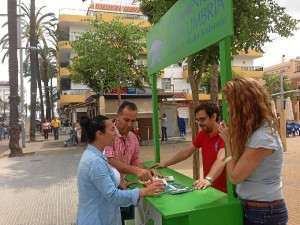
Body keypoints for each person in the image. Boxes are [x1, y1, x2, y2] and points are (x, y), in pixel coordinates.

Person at [219, 77, 288, 225]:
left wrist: (229, 143)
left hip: (263, 212)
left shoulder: (262, 138)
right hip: (257, 209)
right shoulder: (257, 132)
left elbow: (235, 177)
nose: (229, 110)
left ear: (243, 106)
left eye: (231, 105)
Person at [77, 115, 165, 225]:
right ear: (100, 134)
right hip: (98, 219)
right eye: (112, 129)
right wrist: (143, 192)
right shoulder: (95, 162)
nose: (115, 133)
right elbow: (113, 196)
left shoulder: (96, 156)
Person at [104, 101, 161, 225]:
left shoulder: (133, 138)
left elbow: (136, 160)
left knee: (126, 218)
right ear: (117, 116)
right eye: (126, 120)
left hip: (124, 188)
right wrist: (136, 171)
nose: (129, 124)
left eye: (133, 121)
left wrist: (146, 170)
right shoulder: (108, 134)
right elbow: (110, 160)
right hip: (108, 189)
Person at [153, 102, 227, 193]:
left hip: (226, 191)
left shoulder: (224, 135)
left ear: (214, 116)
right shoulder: (202, 135)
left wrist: (208, 179)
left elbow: (222, 159)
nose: (200, 123)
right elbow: (186, 152)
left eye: (202, 119)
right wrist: (165, 163)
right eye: (198, 120)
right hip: (209, 187)